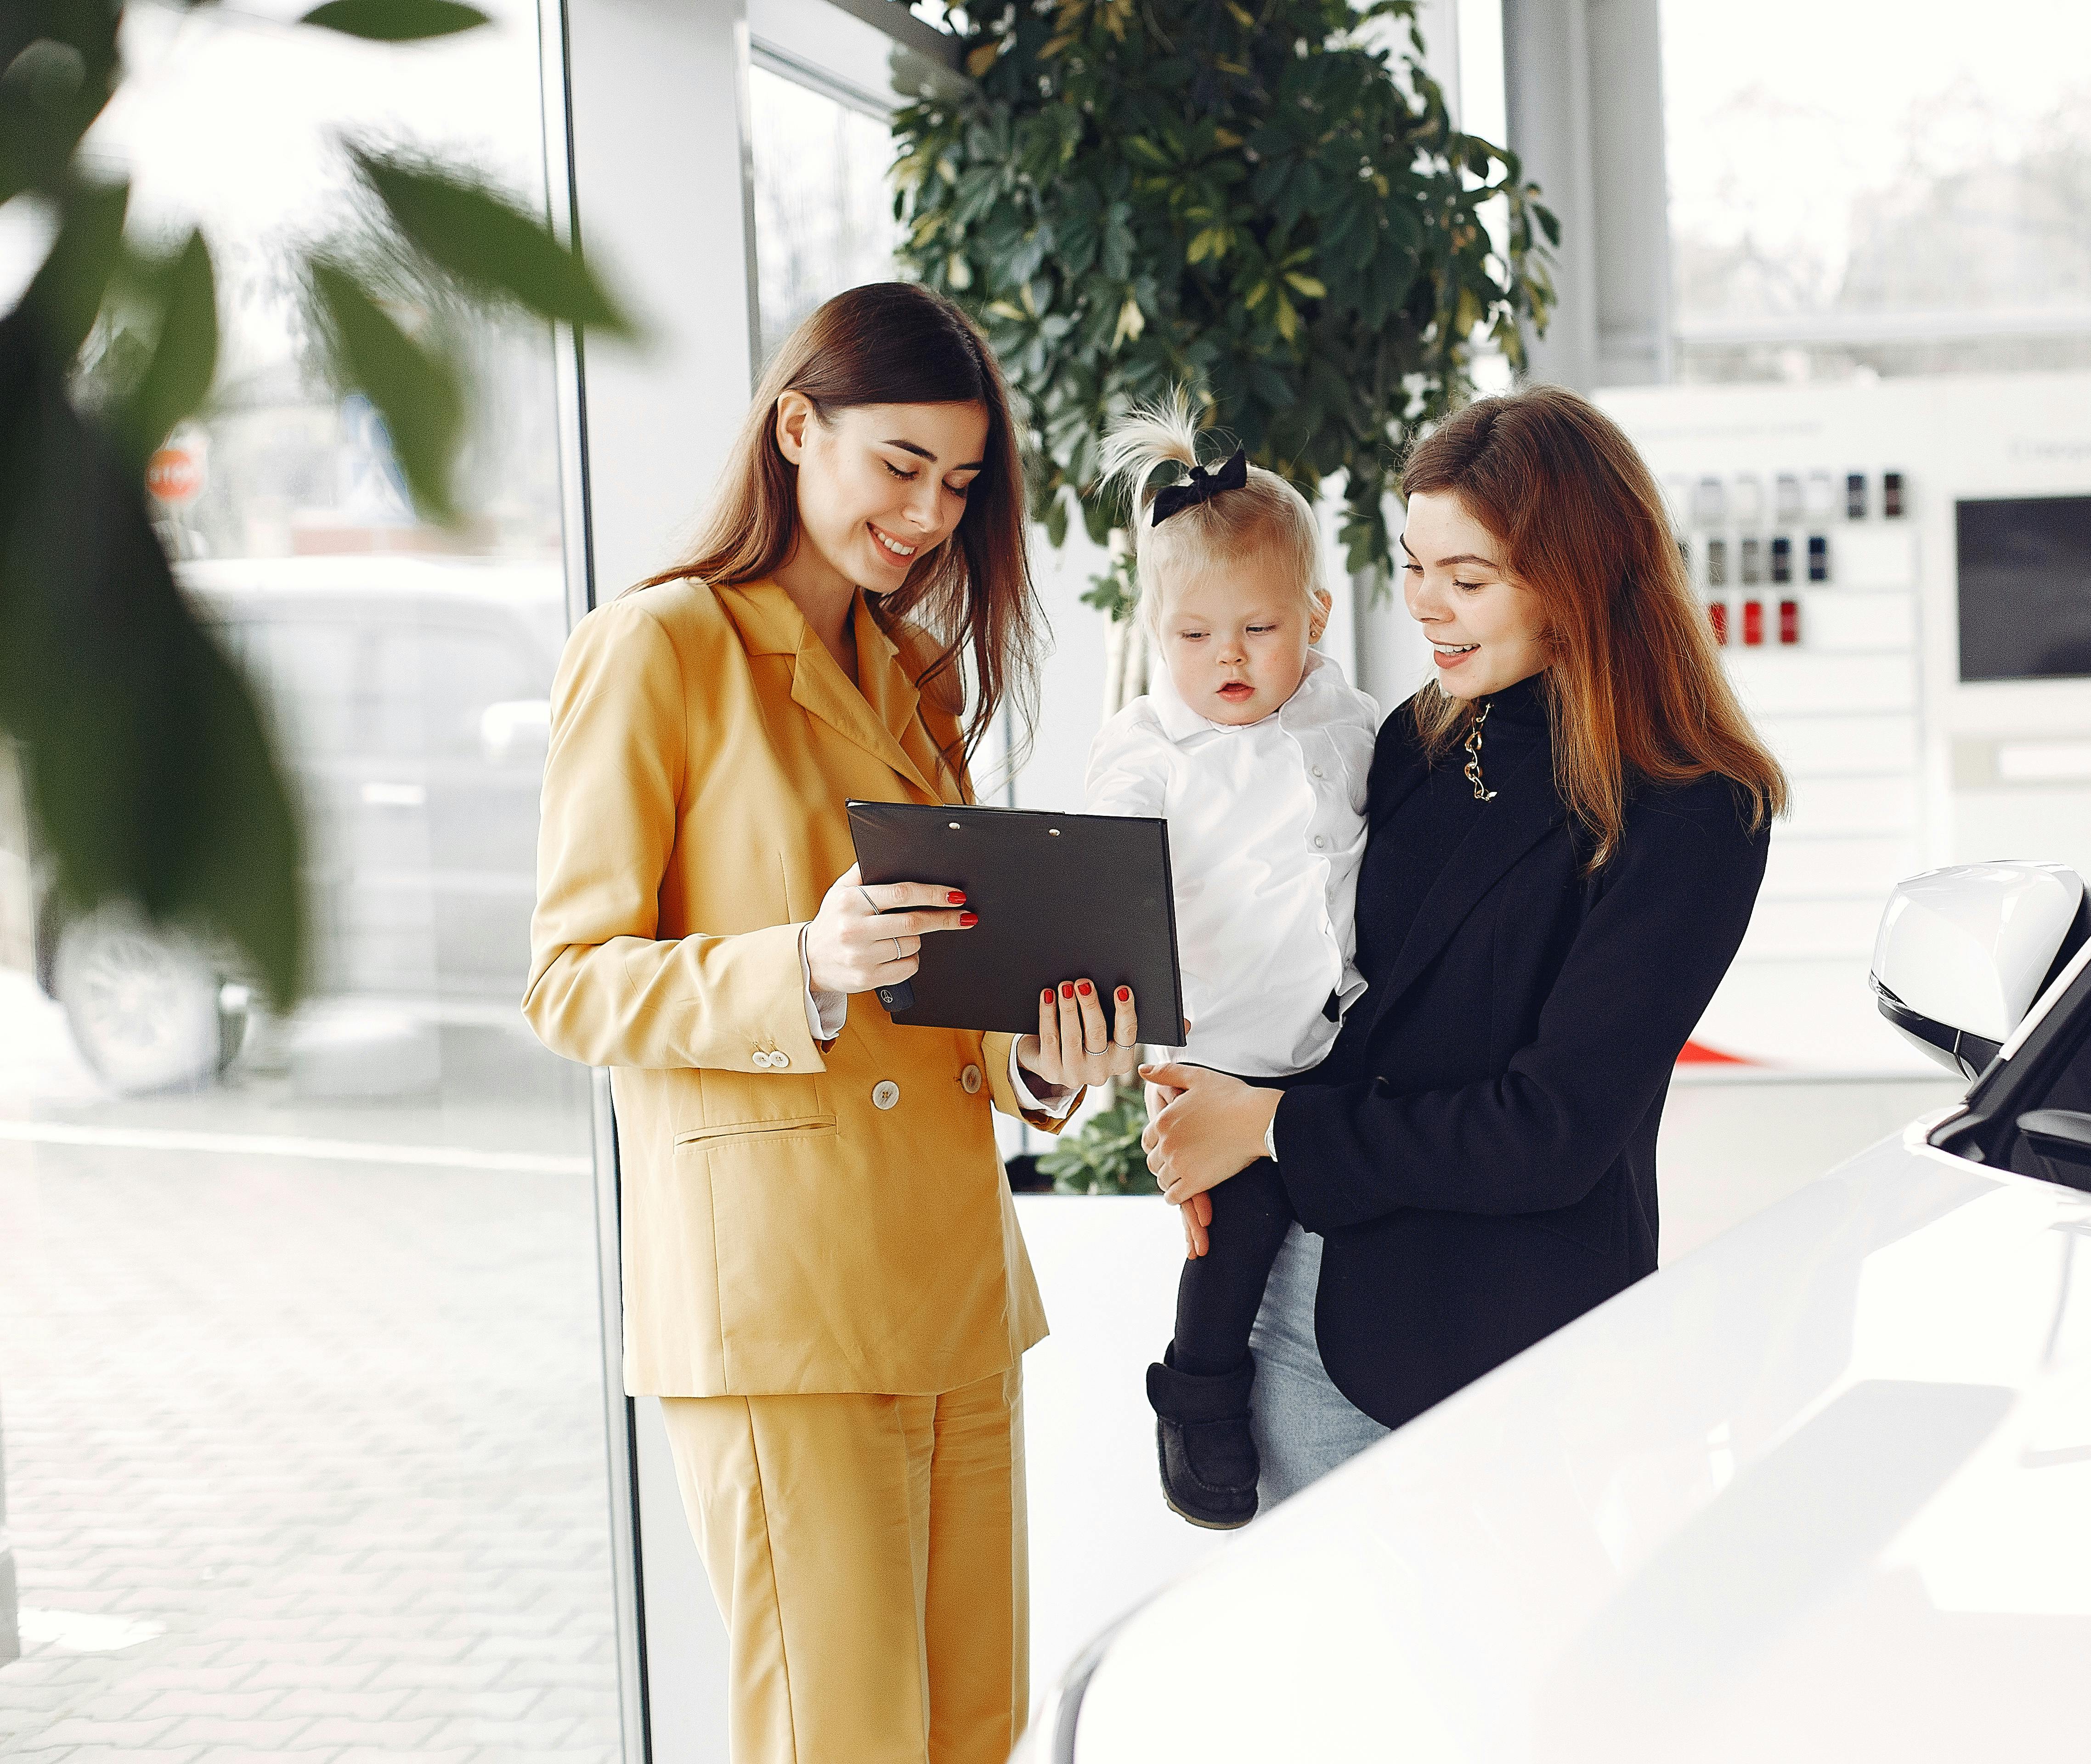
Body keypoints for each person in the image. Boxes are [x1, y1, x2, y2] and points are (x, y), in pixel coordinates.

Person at [523, 283, 1143, 1764]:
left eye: (961, 482)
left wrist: (1045, 1064)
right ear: (797, 428)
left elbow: (955, 982)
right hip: (781, 1309)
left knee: (973, 1733)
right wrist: (799, 961)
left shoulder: (913, 678)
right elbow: (568, 981)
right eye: (901, 465)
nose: (930, 513)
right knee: (837, 1740)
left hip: (951, 1292)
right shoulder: (660, 649)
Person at [1140, 385, 1783, 1498]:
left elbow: (1554, 1131)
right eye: (1416, 565)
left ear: (1579, 578)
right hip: (1309, 1314)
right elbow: (1331, 991)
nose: (1428, 607)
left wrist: (1272, 1125)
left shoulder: (1693, 811)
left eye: (1469, 580)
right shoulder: (1420, 736)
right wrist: (1208, 1085)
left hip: (1514, 1354)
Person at [1078, 396, 1378, 1528]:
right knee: (1236, 1226)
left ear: (1315, 612)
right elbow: (1107, 860)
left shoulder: (1347, 719)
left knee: (1343, 1201)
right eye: (1194, 637)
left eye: (1257, 629)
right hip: (1225, 1049)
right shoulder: (1152, 745)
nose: (1229, 660)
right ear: (1160, 638)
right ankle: (1198, 1394)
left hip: (1345, 1037)